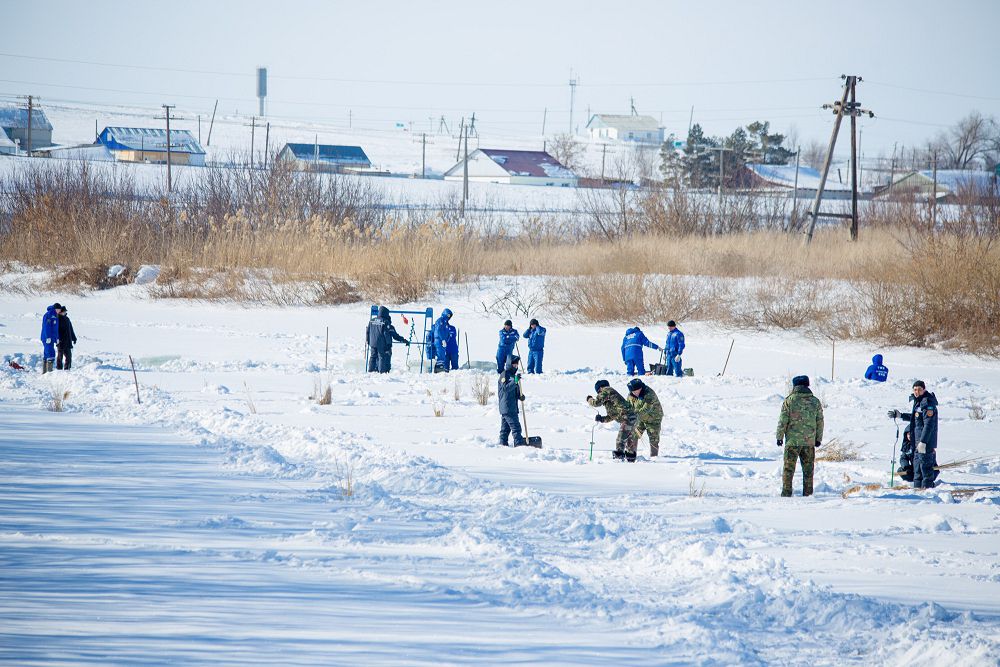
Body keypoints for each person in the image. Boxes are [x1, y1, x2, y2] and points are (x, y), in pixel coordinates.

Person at [776, 375, 824, 497]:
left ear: (795, 386)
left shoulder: (789, 400)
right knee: (808, 471)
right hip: (809, 442)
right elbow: (820, 421)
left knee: (788, 469)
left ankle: (786, 493)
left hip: (792, 442)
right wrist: (818, 438)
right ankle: (808, 494)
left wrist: (779, 436)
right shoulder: (815, 401)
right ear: (807, 385)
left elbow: (783, 420)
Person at [889, 381, 939, 489]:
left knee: (925, 470)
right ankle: (917, 493)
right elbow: (915, 418)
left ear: (924, 390)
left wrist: (923, 442)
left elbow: (929, 425)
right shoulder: (918, 402)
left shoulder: (928, 403)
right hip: (916, 442)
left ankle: (927, 493)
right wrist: (900, 415)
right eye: (915, 389)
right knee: (917, 470)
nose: (917, 392)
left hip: (925, 443)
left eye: (919, 389)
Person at [587, 379, 639, 462]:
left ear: (600, 388)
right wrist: (602, 419)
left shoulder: (606, 390)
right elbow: (612, 416)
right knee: (629, 439)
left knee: (621, 439)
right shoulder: (611, 398)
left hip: (628, 417)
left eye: (598, 393)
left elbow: (596, 403)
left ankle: (618, 458)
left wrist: (589, 399)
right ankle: (630, 458)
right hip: (631, 417)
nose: (599, 395)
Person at [365, 306, 409, 373]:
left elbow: (368, 332)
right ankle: (381, 372)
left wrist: (368, 340)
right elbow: (387, 334)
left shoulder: (371, 321)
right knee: (381, 357)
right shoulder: (385, 322)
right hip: (381, 343)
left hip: (372, 342)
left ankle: (370, 371)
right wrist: (388, 344)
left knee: (373, 357)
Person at [627, 378, 663, 457]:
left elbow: (646, 409)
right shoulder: (631, 395)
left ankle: (654, 457)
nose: (633, 393)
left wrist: (634, 416)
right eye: (632, 391)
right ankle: (631, 455)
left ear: (640, 388)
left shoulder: (649, 394)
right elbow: (628, 406)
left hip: (653, 418)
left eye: (635, 391)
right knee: (632, 435)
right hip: (640, 418)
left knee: (653, 439)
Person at [497, 355, 526, 447]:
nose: (515, 367)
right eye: (514, 365)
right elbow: (505, 388)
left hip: (511, 407)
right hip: (507, 407)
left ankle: (502, 445)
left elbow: (514, 391)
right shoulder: (504, 374)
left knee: (505, 430)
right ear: (509, 364)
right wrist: (515, 381)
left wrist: (520, 396)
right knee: (516, 427)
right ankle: (519, 445)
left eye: (517, 365)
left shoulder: (513, 376)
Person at [55, 304, 77, 370]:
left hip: (68, 341)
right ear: (60, 312)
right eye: (63, 311)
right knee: (60, 356)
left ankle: (67, 369)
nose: (64, 312)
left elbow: (71, 329)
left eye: (65, 311)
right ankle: (59, 369)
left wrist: (74, 338)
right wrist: (57, 339)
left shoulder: (67, 319)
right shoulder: (57, 319)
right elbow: (56, 331)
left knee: (68, 356)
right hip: (61, 341)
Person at [39, 302, 60, 374]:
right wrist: (47, 337)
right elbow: (46, 327)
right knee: (50, 353)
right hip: (47, 338)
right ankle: (49, 372)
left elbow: (55, 329)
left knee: (47, 353)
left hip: (51, 338)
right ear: (56, 309)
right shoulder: (48, 315)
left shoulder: (55, 315)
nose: (59, 311)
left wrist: (57, 338)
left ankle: (45, 372)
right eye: (59, 310)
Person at [431, 308, 454, 373]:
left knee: (442, 354)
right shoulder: (440, 320)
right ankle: (439, 368)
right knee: (440, 353)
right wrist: (443, 339)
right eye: (448, 315)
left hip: (443, 341)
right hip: (439, 340)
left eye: (450, 316)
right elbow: (439, 330)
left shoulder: (445, 322)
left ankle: (441, 367)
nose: (449, 317)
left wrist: (447, 338)